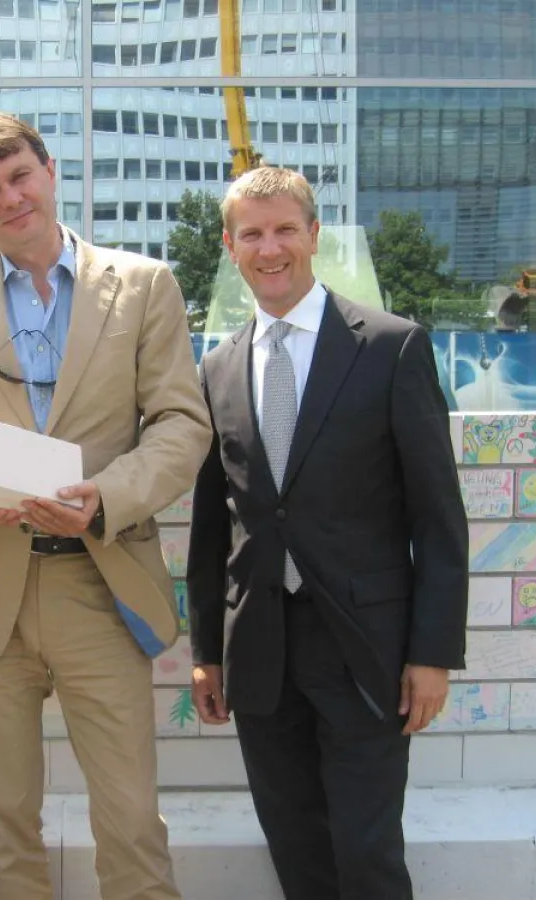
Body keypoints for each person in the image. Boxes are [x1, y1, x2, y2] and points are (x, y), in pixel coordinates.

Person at [0, 110, 210, 900]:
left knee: (132, 819)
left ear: (50, 170)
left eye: (19, 176)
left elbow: (180, 421)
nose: (9, 198)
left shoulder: (143, 286)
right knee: (2, 825)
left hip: (98, 583)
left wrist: (107, 497)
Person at [186, 165, 468, 900]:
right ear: (231, 245)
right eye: (252, 233)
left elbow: (437, 519)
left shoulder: (390, 348)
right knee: (295, 848)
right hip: (260, 653)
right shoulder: (217, 368)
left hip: (366, 653)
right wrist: (206, 652)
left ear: (313, 236)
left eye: (285, 229)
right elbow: (214, 525)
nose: (269, 247)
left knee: (367, 852)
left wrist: (432, 655)